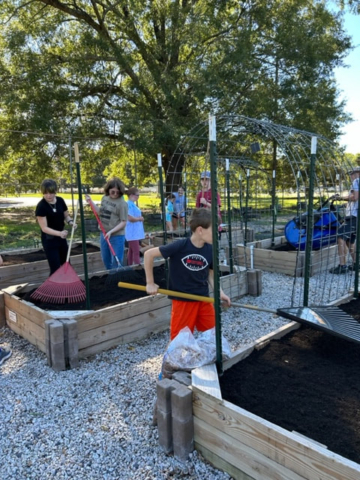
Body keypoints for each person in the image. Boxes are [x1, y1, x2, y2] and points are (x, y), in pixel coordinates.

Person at [144, 208, 231, 341]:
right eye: (214, 229)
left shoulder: (211, 249)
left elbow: (211, 274)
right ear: (200, 230)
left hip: (203, 299)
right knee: (179, 340)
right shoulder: (180, 246)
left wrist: (220, 293)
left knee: (213, 335)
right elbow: (148, 254)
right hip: (183, 301)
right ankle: (173, 361)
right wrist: (150, 282)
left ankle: (211, 359)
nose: (218, 232)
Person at [35, 179, 76, 275]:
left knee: (66, 264)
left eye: (51, 193)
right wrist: (59, 233)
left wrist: (70, 222)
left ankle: (66, 287)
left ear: (55, 191)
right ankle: (54, 288)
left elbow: (66, 215)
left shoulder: (60, 201)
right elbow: (44, 228)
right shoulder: (41, 206)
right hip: (50, 240)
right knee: (56, 268)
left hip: (61, 239)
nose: (48, 195)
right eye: (45, 193)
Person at [86, 177, 128, 270]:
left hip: (116, 236)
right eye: (113, 192)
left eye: (118, 192)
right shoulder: (104, 198)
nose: (115, 194)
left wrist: (111, 232)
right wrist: (91, 202)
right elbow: (100, 212)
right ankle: (111, 276)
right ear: (108, 190)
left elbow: (123, 222)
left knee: (116, 261)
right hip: (104, 234)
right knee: (105, 259)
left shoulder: (122, 204)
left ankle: (116, 279)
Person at [329, 167, 360, 274]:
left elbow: (354, 197)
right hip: (356, 216)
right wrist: (345, 204)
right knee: (350, 241)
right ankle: (357, 264)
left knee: (340, 236)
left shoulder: (357, 181)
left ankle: (342, 266)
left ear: (357, 173)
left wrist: (340, 198)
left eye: (351, 173)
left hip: (353, 216)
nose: (350, 176)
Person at [196, 171, 222, 238]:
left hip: (214, 224)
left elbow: (217, 208)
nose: (204, 182)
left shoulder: (214, 193)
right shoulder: (199, 194)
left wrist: (206, 203)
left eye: (207, 179)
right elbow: (197, 210)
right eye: (202, 179)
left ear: (211, 181)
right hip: (204, 224)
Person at [125, 187, 145, 265]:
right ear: (131, 195)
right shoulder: (128, 204)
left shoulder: (132, 204)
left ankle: (129, 265)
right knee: (136, 251)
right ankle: (137, 266)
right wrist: (140, 218)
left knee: (131, 250)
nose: (138, 197)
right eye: (137, 195)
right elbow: (130, 218)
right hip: (132, 232)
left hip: (135, 232)